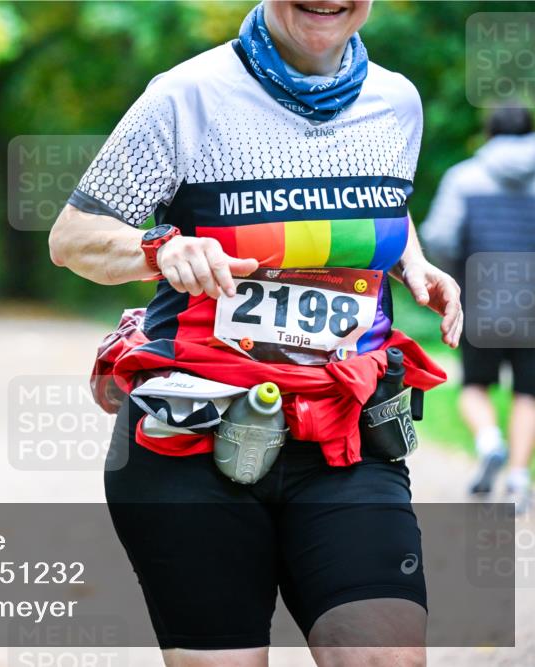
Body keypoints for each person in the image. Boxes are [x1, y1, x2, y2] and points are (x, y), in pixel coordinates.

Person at [49, 1, 461, 666]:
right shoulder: (186, 97)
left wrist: (410, 259)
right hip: (190, 441)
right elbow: (71, 240)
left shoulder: (398, 101)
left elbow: (378, 197)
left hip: (344, 436)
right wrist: (160, 248)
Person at [420, 105, 535, 515]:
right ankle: (519, 478)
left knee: (474, 385)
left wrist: (455, 278)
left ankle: (490, 443)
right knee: (528, 393)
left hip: (482, 296)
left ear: (490, 132)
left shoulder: (465, 177)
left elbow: (439, 237)